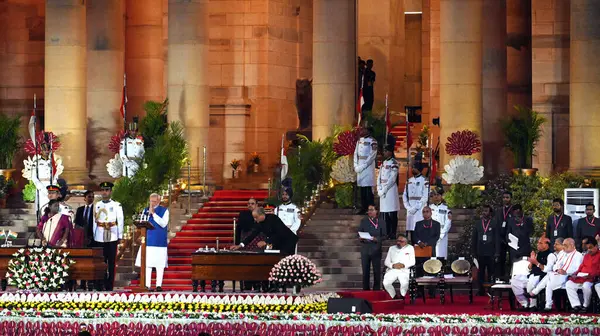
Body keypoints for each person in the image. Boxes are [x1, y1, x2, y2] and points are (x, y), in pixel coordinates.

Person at [529, 238, 583, 312]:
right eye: (563, 245)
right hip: (558, 275)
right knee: (549, 281)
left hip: (568, 276)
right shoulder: (562, 253)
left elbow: (577, 269)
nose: (563, 247)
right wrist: (558, 270)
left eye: (565, 245)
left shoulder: (578, 256)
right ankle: (547, 306)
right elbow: (555, 266)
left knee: (549, 277)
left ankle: (536, 294)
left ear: (572, 245)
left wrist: (565, 271)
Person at [93, 181, 124, 291]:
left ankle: (109, 285)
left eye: (106, 190)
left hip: (112, 234)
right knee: (101, 261)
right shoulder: (98, 205)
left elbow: (120, 220)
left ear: (110, 191)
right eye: (103, 190)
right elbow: (94, 220)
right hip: (100, 235)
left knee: (111, 262)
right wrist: (94, 233)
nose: (104, 192)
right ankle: (100, 284)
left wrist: (120, 235)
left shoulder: (116, 205)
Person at [135, 193, 169, 292]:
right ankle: (147, 285)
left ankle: (158, 285)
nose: (152, 203)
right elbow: (142, 222)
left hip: (159, 241)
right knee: (148, 263)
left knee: (160, 264)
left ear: (159, 201)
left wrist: (153, 214)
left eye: (154, 201)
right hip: (148, 240)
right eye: (151, 201)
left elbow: (163, 224)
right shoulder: (145, 210)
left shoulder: (164, 210)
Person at [511, 237, 556, 310]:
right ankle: (524, 303)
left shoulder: (551, 255)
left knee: (532, 280)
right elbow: (529, 269)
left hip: (542, 277)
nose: (538, 244)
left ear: (547, 245)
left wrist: (536, 262)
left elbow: (548, 270)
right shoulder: (538, 254)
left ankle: (533, 305)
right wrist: (532, 261)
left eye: (540, 243)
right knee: (515, 281)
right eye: (538, 243)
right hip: (531, 274)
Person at [231, 207, 298, 256]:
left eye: (256, 217)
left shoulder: (273, 219)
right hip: (277, 242)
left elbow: (280, 233)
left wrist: (266, 242)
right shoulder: (259, 223)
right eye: (254, 217)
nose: (255, 219)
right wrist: (240, 245)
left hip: (288, 241)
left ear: (262, 215)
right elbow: (252, 235)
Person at [566, 237, 600, 312]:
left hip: (591, 279)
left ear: (596, 246)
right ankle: (576, 305)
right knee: (569, 284)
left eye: (590, 248)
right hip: (581, 278)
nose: (589, 250)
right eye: (587, 248)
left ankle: (585, 305)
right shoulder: (586, 256)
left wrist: (590, 275)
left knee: (586, 286)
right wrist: (575, 274)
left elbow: (598, 271)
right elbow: (580, 267)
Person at [358, 204, 386, 291]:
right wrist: (361, 237)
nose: (369, 212)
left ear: (376, 211)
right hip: (365, 249)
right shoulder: (364, 221)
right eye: (368, 210)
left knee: (376, 271)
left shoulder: (381, 222)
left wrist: (376, 239)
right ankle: (365, 289)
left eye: (371, 210)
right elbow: (359, 232)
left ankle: (376, 289)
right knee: (365, 271)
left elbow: (384, 236)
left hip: (376, 249)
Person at [471, 205, 497, 295]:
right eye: (483, 211)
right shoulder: (478, 223)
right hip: (480, 251)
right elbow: (474, 238)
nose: (484, 212)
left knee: (491, 272)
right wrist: (474, 252)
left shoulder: (494, 223)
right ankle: (481, 290)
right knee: (480, 272)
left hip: (491, 252)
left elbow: (497, 238)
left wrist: (497, 252)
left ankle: (491, 290)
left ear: (490, 213)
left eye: (486, 211)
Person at [402, 159, 429, 241]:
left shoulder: (425, 180)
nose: (412, 169)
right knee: (411, 230)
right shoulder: (409, 181)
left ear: (419, 169)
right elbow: (404, 195)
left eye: (414, 168)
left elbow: (425, 197)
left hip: (419, 209)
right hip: (410, 209)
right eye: (412, 167)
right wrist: (408, 207)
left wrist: (416, 207)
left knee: (419, 229)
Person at [377, 144, 400, 239]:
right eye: (384, 151)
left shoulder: (394, 163)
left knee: (392, 214)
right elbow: (379, 176)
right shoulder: (383, 163)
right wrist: (379, 188)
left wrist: (384, 189)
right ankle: (386, 233)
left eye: (386, 151)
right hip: (382, 190)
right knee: (384, 214)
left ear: (390, 152)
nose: (384, 153)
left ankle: (392, 233)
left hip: (390, 191)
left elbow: (392, 178)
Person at [353, 126, 378, 215]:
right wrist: (355, 165)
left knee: (368, 189)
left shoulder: (373, 141)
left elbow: (372, 156)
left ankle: (370, 208)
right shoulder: (359, 140)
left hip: (367, 168)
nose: (362, 131)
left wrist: (363, 166)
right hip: (359, 166)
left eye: (363, 129)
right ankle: (363, 208)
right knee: (362, 189)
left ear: (368, 131)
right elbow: (355, 153)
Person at [74, 190, 95, 290]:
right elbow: (77, 224)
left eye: (92, 197)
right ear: (84, 198)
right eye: (89, 197)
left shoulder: (96, 209)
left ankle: (91, 282)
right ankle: (82, 282)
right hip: (81, 239)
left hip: (93, 239)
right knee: (82, 260)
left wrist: (90, 236)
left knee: (91, 261)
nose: (91, 198)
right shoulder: (80, 209)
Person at [383, 234, 415, 299]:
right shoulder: (391, 248)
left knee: (404, 283)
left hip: (404, 270)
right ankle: (394, 297)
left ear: (406, 242)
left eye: (401, 241)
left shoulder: (410, 248)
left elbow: (412, 262)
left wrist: (403, 265)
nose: (398, 243)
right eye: (398, 241)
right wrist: (393, 265)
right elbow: (386, 262)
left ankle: (402, 296)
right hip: (393, 269)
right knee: (386, 283)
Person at [430, 187, 451, 260]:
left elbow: (448, 223)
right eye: (434, 195)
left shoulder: (446, 208)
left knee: (441, 254)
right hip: (431, 234)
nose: (436, 197)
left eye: (438, 195)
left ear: (442, 196)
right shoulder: (429, 208)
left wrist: (442, 234)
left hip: (442, 233)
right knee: (431, 255)